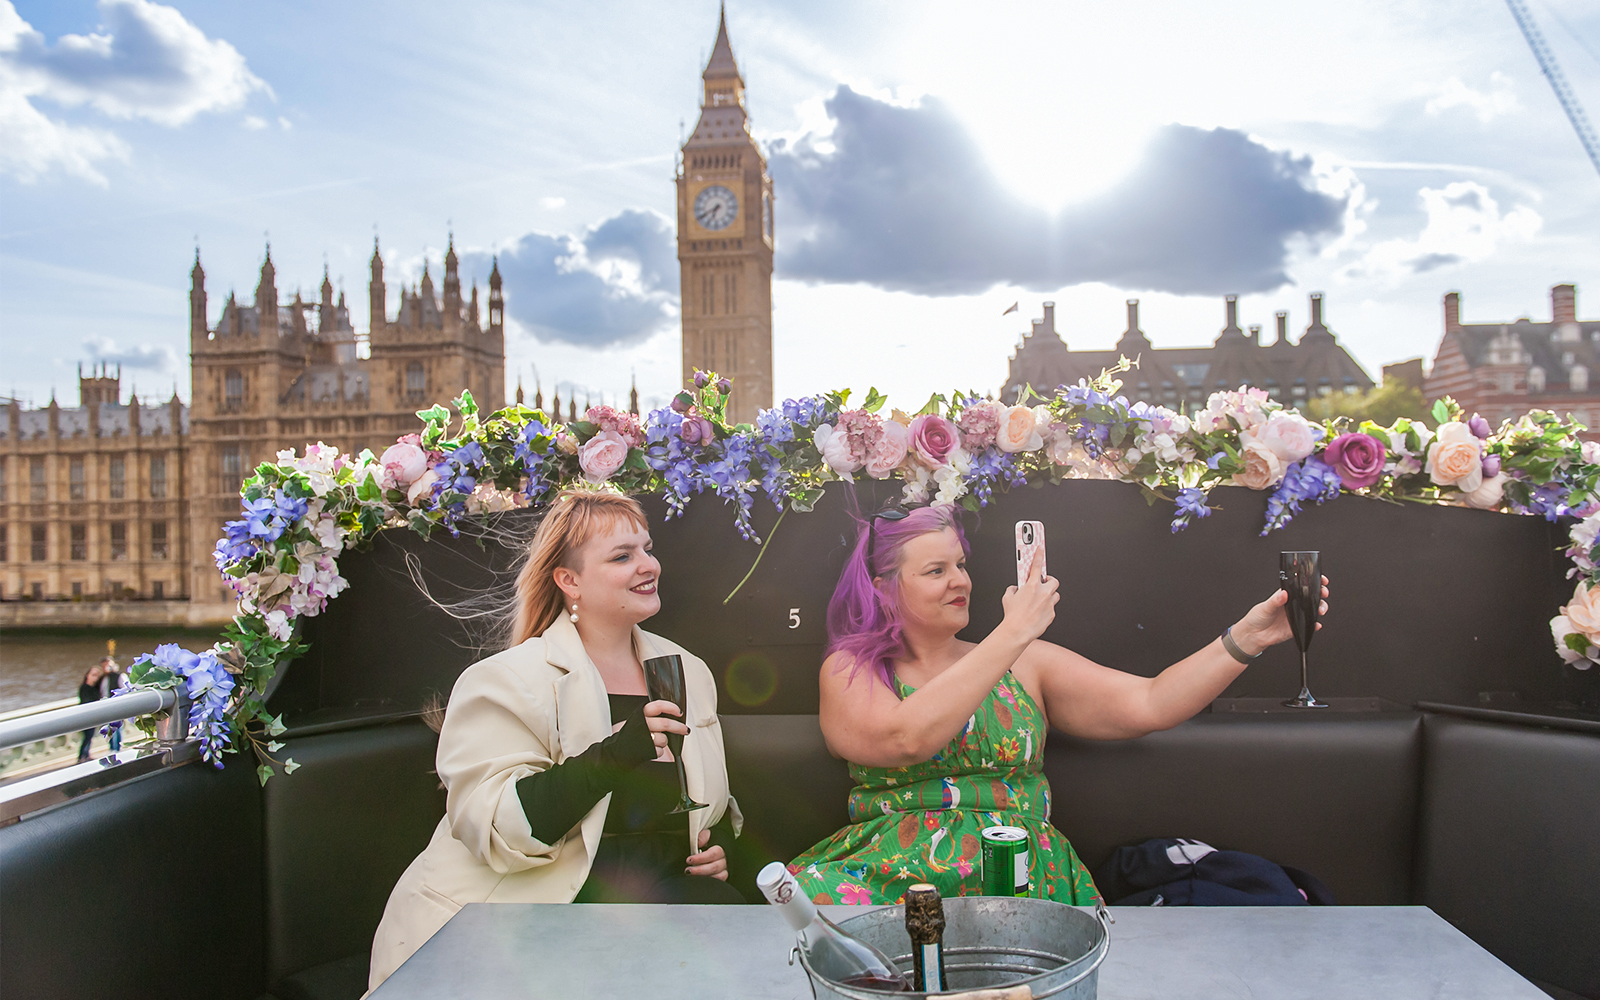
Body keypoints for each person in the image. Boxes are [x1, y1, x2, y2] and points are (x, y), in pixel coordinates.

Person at [789, 505, 1330, 905]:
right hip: (891, 872)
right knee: (797, 922)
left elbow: (1151, 701)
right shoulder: (852, 668)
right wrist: (1013, 632)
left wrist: (1247, 638)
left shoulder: (1030, 662)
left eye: (960, 564)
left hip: (1018, 871)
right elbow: (902, 739)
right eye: (936, 571)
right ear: (883, 589)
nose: (961, 580)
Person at [368, 490, 744, 993]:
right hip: (525, 912)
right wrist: (619, 751)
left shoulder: (688, 671)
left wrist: (716, 849)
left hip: (648, 901)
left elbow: (703, 806)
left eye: (647, 548)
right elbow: (504, 832)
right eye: (622, 556)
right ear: (570, 581)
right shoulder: (502, 680)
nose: (648, 565)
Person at [76, 659, 110, 761]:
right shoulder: (84, 687)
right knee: (87, 736)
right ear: (88, 675)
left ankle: (86, 754)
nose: (95, 677)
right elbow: (86, 701)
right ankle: (82, 756)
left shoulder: (96, 688)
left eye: (97, 676)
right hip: (85, 715)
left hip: (92, 715)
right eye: (93, 675)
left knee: (90, 735)